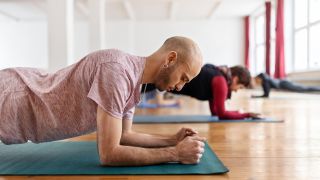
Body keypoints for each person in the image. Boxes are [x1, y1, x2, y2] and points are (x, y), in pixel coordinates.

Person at [0, 36, 206, 166]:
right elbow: (110, 154)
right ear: (170, 59)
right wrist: (175, 153)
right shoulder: (117, 72)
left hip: (22, 101)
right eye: (183, 78)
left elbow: (125, 136)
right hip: (14, 96)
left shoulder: (134, 82)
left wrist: (173, 140)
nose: (180, 87)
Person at [142, 64, 260, 120]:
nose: (237, 90)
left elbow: (215, 112)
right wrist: (247, 114)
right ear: (235, 79)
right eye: (239, 87)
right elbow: (221, 114)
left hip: (165, 79)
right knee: (139, 86)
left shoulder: (218, 76)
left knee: (139, 86)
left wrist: (237, 112)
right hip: (166, 78)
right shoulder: (221, 82)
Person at [252, 73, 320, 98]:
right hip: (284, 82)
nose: (256, 82)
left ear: (259, 78)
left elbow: (266, 95)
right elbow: (266, 94)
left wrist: (255, 97)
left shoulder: (265, 81)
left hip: (284, 83)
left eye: (256, 80)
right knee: (303, 88)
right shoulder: (265, 80)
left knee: (304, 89)